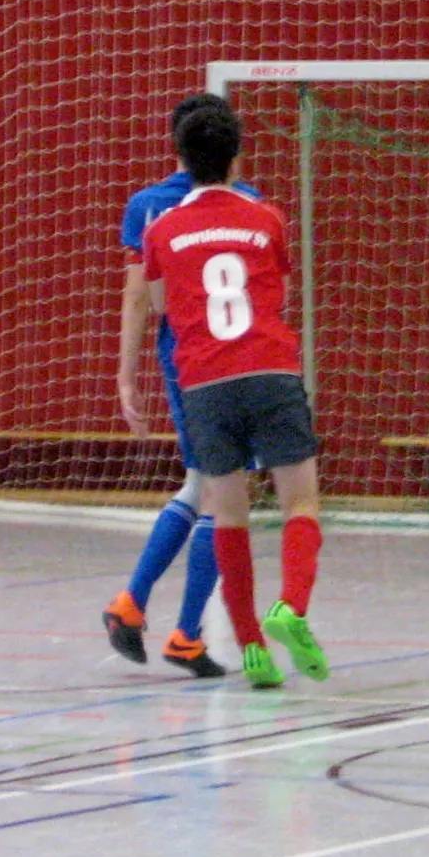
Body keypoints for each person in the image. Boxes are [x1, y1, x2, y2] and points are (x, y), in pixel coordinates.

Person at [142, 104, 329, 689]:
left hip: (204, 382)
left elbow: (159, 305)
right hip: (269, 369)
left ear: (180, 158)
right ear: (237, 158)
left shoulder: (161, 228)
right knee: (300, 503)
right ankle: (291, 607)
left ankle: (250, 648)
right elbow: (279, 288)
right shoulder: (266, 217)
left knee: (227, 515)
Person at [101, 93, 256, 679]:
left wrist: (126, 373)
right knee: (222, 493)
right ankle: (186, 634)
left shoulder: (146, 205)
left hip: (179, 358)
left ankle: (131, 603)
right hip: (227, 360)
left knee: (202, 484)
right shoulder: (249, 203)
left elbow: (139, 297)